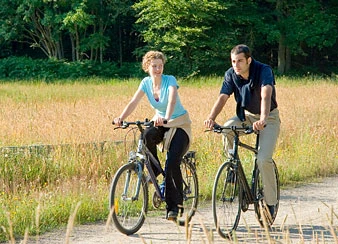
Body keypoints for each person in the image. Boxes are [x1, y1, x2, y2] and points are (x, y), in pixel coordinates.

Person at [113, 51, 192, 221]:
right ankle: (155, 169)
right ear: (147, 67)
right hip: (160, 121)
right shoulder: (146, 83)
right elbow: (133, 102)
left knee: (172, 163)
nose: (158, 69)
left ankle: (174, 208)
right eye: (154, 66)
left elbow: (171, 99)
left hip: (178, 122)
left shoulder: (170, 80)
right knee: (146, 136)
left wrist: (167, 117)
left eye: (160, 66)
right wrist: (121, 118)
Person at [204, 44, 280, 217]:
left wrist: (263, 119)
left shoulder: (263, 70)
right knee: (226, 129)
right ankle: (233, 169)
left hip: (268, 117)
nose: (236, 65)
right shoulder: (231, 74)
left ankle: (270, 202)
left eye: (239, 61)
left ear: (249, 60)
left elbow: (266, 95)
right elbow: (223, 97)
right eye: (233, 61)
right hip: (245, 116)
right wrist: (211, 118)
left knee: (263, 159)